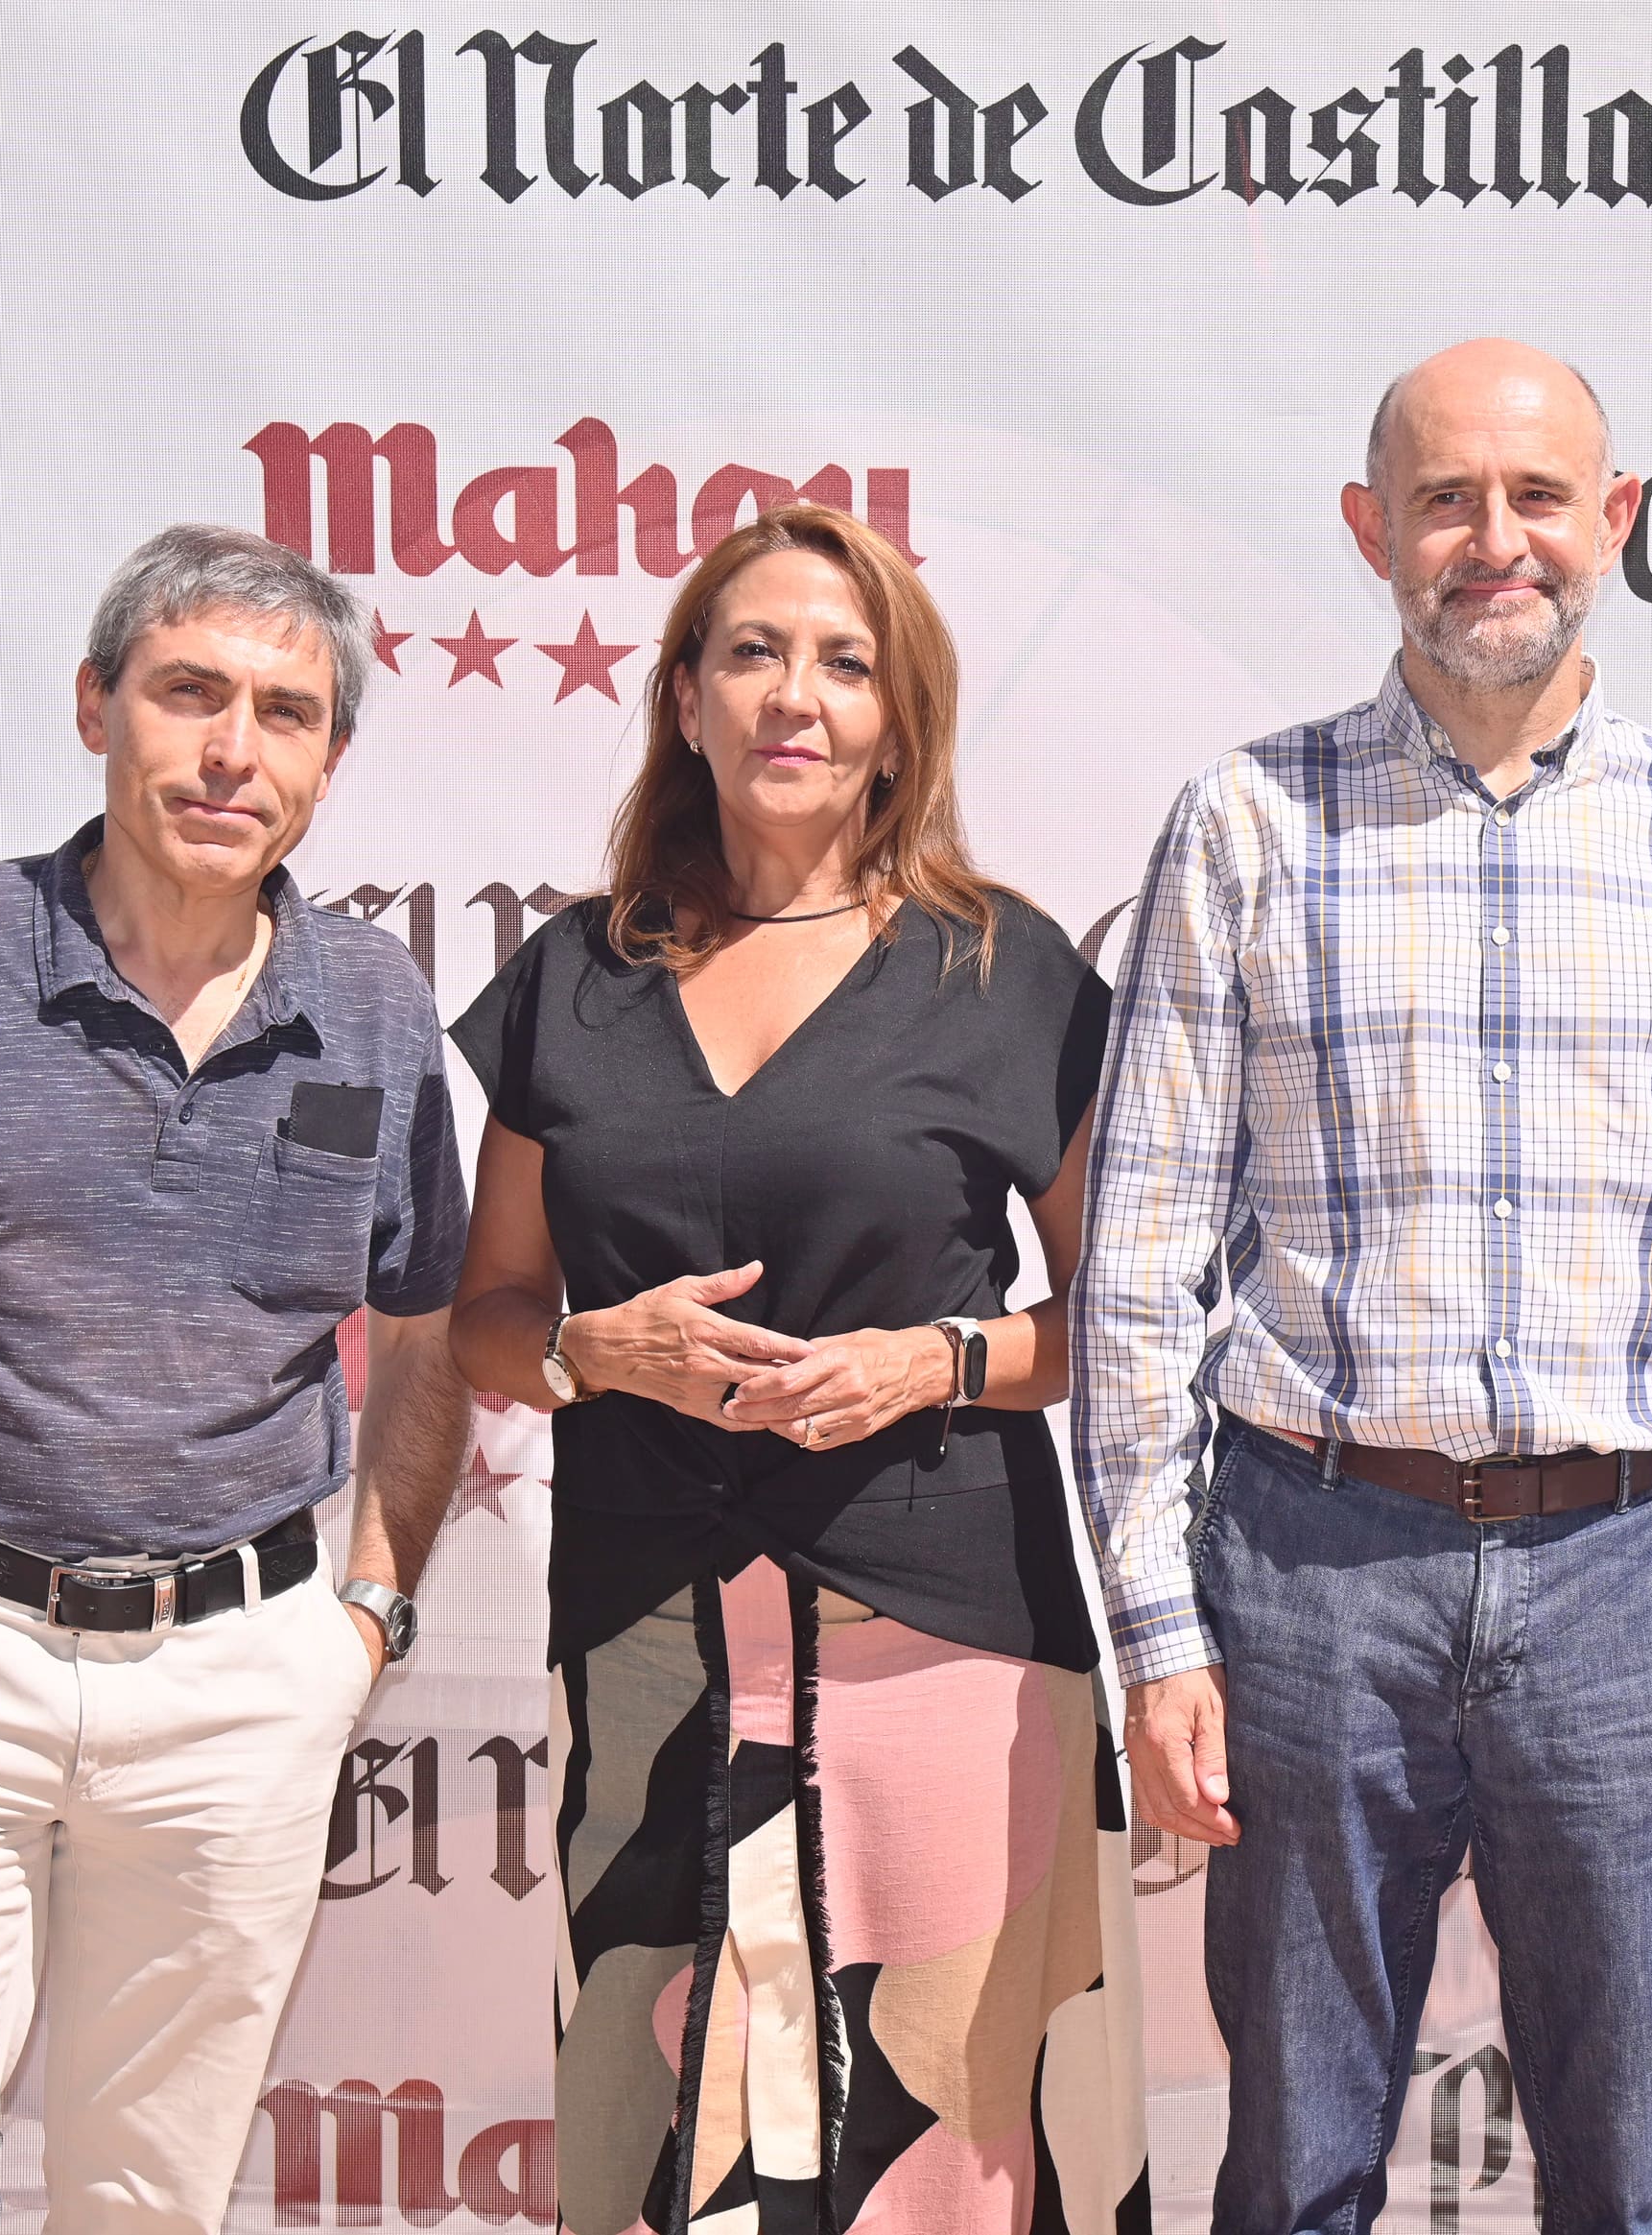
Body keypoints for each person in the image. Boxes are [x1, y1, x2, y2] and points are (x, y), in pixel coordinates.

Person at [1071, 339, 1652, 2233]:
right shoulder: (1248, 824)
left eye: (1538, 496)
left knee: (1635, 2172)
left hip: (1633, 1577)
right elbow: (1139, 1263)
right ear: (1373, 528)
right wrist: (1156, 1619)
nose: (1492, 538)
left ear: (1613, 523)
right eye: (1445, 496)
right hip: (1306, 1568)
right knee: (1288, 2168)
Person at [0, 524, 479, 2226]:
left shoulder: (382, 1012)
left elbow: (420, 1336)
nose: (230, 750)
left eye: (284, 712)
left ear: (329, 763)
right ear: (94, 705)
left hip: (240, 1682)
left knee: (151, 2195)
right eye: (187, 692)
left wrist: (368, 1620)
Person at [446, 502, 1148, 2233]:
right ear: (682, 695)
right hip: (647, 1641)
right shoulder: (574, 978)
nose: (796, 697)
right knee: (653, 2123)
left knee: (955, 2138)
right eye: (751, 652)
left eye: (847, 664)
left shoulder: (1005, 970)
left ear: (900, 720)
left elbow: (1122, 1315)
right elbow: (484, 1313)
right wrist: (584, 1352)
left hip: (947, 1637)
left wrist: (937, 1358)